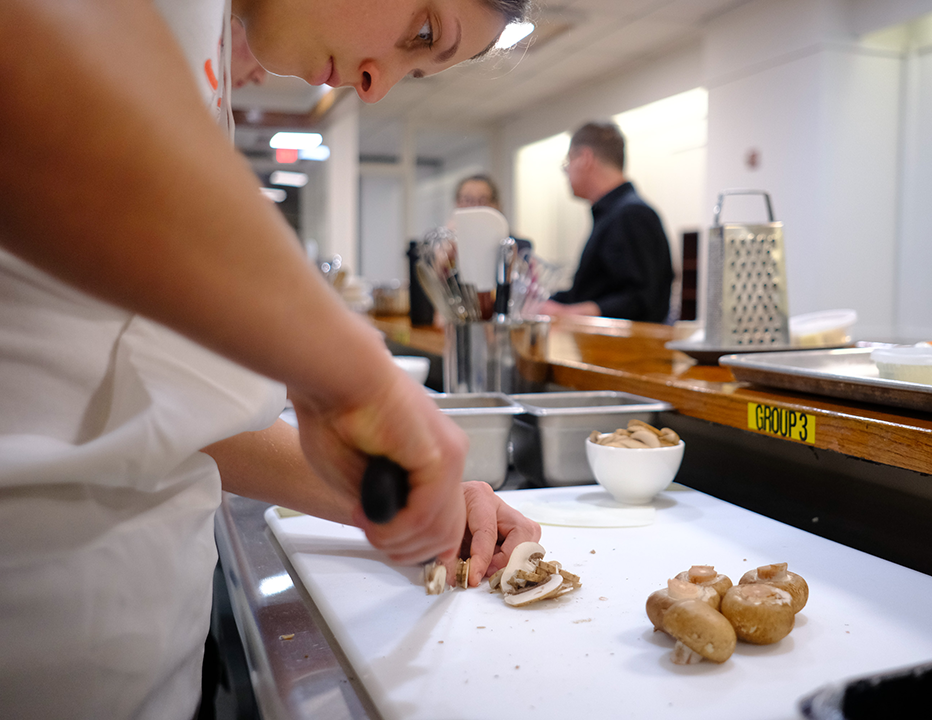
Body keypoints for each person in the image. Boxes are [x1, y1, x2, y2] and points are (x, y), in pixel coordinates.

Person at [0, 1, 536, 718]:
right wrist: (346, 372)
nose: (378, 86)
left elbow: (176, 408)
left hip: (122, 662)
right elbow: (35, 57)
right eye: (424, 32)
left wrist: (393, 501)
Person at [540, 121, 674, 323]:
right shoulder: (614, 214)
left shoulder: (631, 214)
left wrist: (568, 313)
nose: (567, 173)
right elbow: (594, 293)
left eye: (567, 164)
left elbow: (642, 300)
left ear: (585, 158)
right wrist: (546, 303)